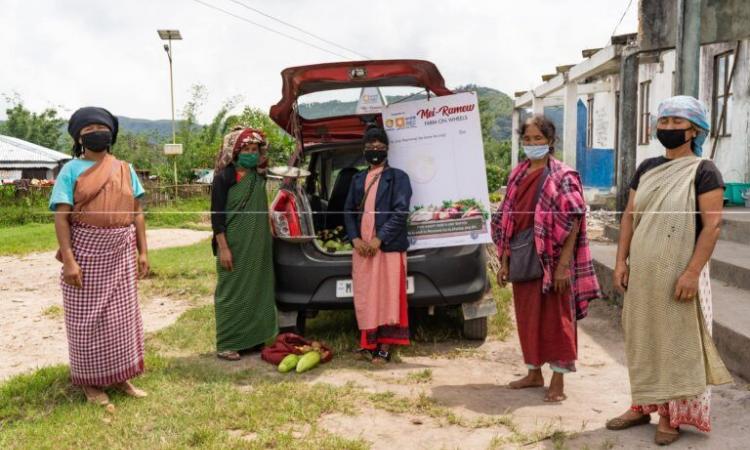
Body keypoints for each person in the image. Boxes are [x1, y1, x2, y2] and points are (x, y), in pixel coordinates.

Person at [605, 96, 732, 446]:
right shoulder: (647, 168)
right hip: (643, 274)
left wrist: (691, 272)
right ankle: (641, 404)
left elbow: (713, 227)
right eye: (664, 122)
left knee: (675, 343)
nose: (669, 128)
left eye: (678, 123)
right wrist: (620, 261)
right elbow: (630, 216)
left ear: (694, 129)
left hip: (681, 274)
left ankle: (671, 416)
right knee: (642, 337)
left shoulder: (704, 171)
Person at [491, 115, 601, 402]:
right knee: (527, 317)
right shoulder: (517, 174)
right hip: (521, 255)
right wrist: (504, 261)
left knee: (557, 319)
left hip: (553, 261)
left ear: (550, 141)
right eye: (527, 139)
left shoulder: (563, 176)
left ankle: (558, 381)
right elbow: (506, 219)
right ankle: (534, 372)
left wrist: (564, 266)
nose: (532, 144)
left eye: (538, 138)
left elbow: (574, 221)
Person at [49, 106, 149, 405]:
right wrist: (69, 259)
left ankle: (120, 377)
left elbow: (138, 213)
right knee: (87, 320)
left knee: (121, 318)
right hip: (86, 253)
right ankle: (91, 383)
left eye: (100, 129)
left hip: (120, 253)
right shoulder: (70, 170)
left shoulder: (124, 169)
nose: (96, 134)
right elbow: (61, 218)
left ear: (111, 135)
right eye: (88, 131)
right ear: (79, 138)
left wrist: (143, 252)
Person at [344, 125, 413, 364]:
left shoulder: (399, 178)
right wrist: (355, 239)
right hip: (362, 248)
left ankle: (384, 347)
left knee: (387, 295)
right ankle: (368, 343)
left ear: (387, 149)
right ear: (363, 150)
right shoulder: (357, 178)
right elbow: (348, 211)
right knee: (366, 294)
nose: (374, 151)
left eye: (379, 147)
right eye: (370, 147)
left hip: (387, 246)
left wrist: (378, 239)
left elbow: (400, 212)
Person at [211, 126, 277, 361]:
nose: (251, 153)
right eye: (246, 149)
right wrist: (224, 248)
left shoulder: (259, 176)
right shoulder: (224, 178)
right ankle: (228, 342)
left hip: (258, 244)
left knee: (258, 288)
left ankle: (254, 339)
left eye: (254, 149)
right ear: (235, 152)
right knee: (231, 291)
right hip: (233, 245)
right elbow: (217, 218)